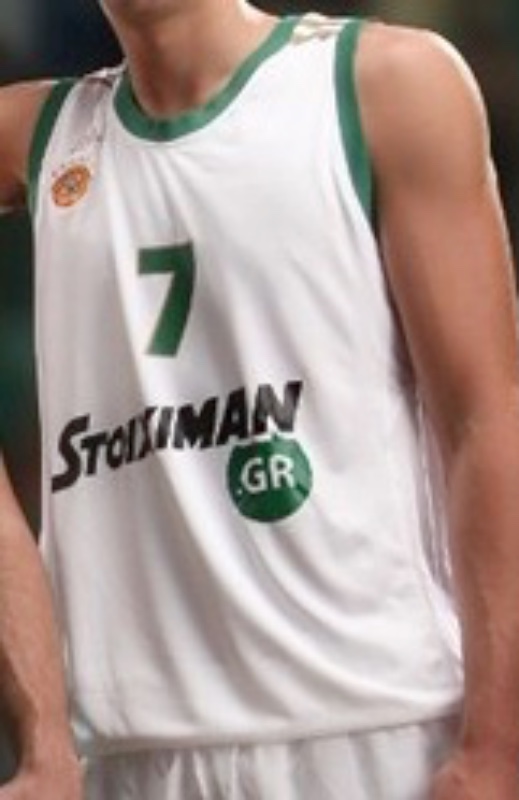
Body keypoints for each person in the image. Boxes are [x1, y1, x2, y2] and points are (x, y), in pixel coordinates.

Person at [0, 1, 519, 798]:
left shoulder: (381, 83)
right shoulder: (44, 133)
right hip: (125, 754)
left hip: (374, 726)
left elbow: (485, 419)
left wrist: (498, 745)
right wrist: (42, 739)